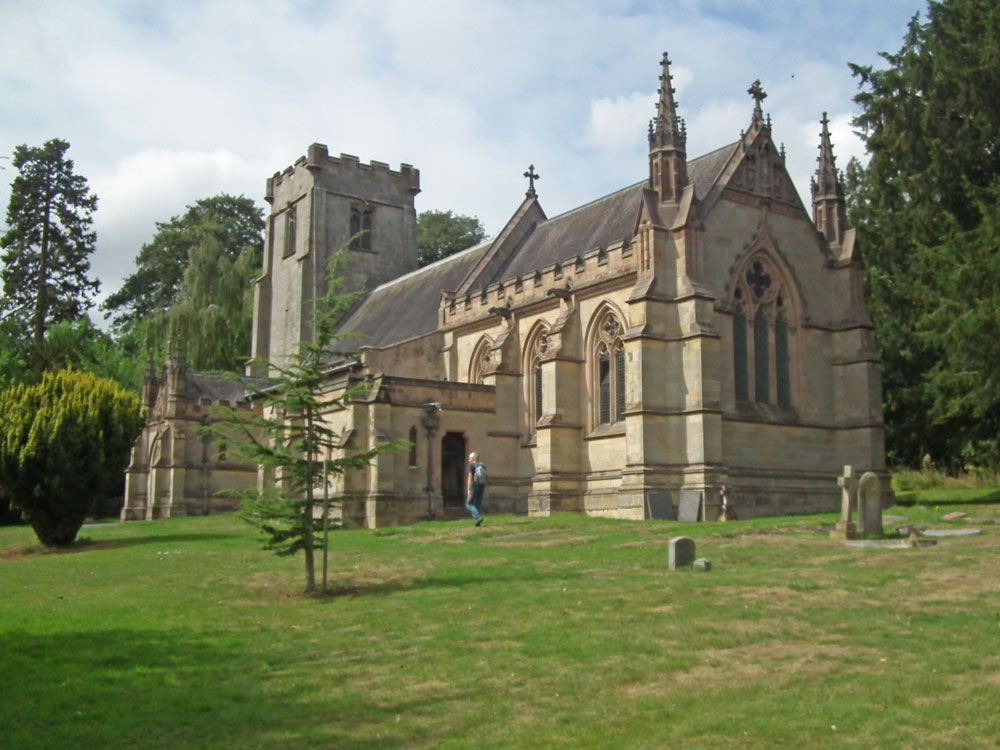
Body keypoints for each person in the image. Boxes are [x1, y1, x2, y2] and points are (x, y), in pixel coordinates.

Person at [466, 451, 485, 526]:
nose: (468, 460)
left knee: (469, 504)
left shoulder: (471, 465)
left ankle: (478, 516)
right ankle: (477, 522)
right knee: (477, 503)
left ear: (473, 458)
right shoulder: (482, 465)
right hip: (481, 485)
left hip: (474, 485)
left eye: (469, 458)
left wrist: (468, 489)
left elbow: (470, 477)